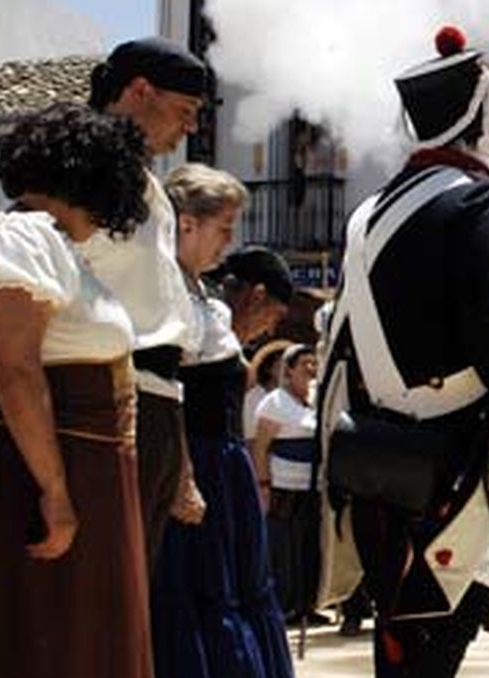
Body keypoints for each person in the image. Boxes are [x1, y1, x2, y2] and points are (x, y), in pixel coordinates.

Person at [317, 25, 489, 678]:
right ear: (475, 117)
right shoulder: (476, 199)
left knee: (402, 615)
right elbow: (488, 319)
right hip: (451, 442)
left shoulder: (369, 213)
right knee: (443, 617)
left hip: (379, 443)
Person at [0, 103, 154, 678]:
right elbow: (16, 369)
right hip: (37, 470)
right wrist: (55, 492)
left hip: (78, 467)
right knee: (32, 640)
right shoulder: (19, 236)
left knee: (71, 641)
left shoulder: (54, 246)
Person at [150, 163, 294, 678]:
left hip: (224, 463)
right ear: (186, 223)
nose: (227, 243)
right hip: (200, 460)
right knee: (199, 587)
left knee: (235, 586)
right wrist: (183, 474)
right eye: (223, 229)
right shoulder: (164, 292)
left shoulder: (201, 297)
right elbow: (169, 397)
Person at [85, 37, 212, 574]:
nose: (189, 129)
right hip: (111, 395)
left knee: (132, 586)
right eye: (183, 111)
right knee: (104, 584)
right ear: (140, 92)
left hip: (154, 397)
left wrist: (179, 463)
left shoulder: (145, 184)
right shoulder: (86, 169)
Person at [254, 345, 322, 625]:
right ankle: (285, 604)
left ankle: (308, 605)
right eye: (305, 363)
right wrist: (264, 483)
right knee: (284, 546)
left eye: (313, 363)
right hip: (283, 483)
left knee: (309, 545)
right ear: (289, 369)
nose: (311, 369)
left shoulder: (318, 399)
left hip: (313, 485)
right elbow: (260, 448)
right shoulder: (275, 402)